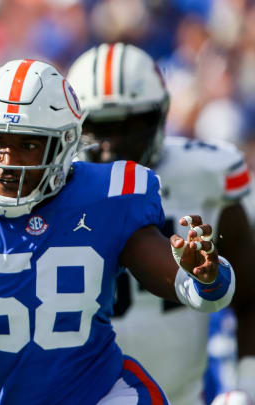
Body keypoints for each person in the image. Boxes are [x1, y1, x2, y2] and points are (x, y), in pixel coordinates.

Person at [0, 59, 235, 404]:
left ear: (64, 145)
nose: (7, 161)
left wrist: (206, 276)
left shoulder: (104, 198)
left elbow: (190, 286)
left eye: (28, 145)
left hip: (103, 394)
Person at [66, 42, 255, 405]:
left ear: (161, 117)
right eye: (98, 127)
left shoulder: (205, 175)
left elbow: (249, 292)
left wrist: (245, 382)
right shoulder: (54, 188)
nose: (111, 146)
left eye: (130, 125)